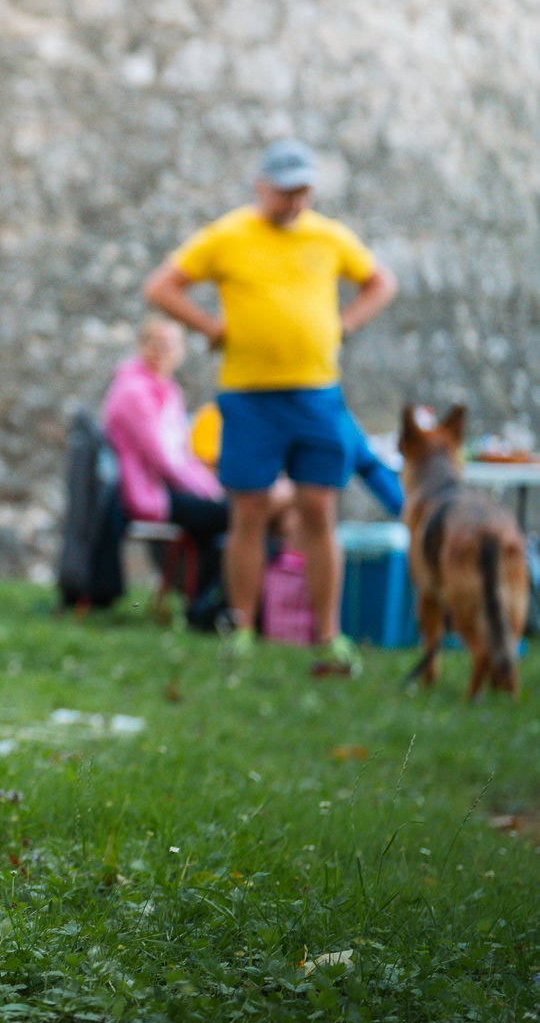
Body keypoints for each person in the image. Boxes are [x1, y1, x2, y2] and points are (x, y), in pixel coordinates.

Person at [142, 139, 398, 673]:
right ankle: (241, 626)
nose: (295, 201)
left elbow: (380, 282)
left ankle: (329, 636)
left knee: (319, 511)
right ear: (263, 188)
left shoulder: (329, 237)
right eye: (285, 192)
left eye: (303, 190)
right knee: (249, 512)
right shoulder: (228, 235)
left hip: (316, 394)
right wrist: (211, 329)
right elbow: (162, 286)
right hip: (249, 397)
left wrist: (344, 325)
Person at [100, 318, 234, 612]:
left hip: (163, 487)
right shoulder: (135, 392)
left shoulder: (166, 389)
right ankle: (209, 605)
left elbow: (180, 454)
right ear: (140, 346)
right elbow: (163, 458)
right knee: (231, 516)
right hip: (146, 493)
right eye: (153, 342)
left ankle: (203, 602)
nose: (161, 350)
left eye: (169, 343)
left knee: (218, 518)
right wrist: (209, 489)